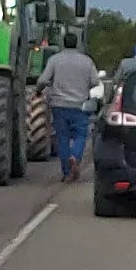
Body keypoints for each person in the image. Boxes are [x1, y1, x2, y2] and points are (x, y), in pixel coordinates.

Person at [41, 38, 103, 182]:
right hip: (80, 105)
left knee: (62, 138)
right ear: (77, 43)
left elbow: (43, 80)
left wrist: (40, 90)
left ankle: (66, 172)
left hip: (59, 105)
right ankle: (75, 156)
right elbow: (95, 81)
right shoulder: (87, 61)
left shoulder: (54, 60)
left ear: (63, 43)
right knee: (80, 135)